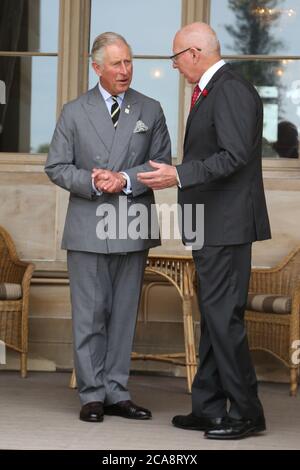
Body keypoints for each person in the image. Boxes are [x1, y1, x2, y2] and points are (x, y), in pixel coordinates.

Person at [138, 22, 271, 440]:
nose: (174, 66)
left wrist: (178, 175)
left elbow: (234, 156)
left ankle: (248, 413)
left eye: (176, 57)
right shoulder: (213, 91)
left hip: (226, 226)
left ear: (195, 53)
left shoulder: (230, 90)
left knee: (223, 319)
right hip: (210, 224)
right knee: (212, 318)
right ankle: (210, 408)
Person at [45, 32, 171, 423]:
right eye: (116, 64)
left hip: (132, 222)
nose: (125, 70)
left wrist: (125, 179)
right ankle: (92, 394)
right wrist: (94, 181)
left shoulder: (150, 109)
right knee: (89, 314)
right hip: (88, 224)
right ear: (96, 67)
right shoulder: (73, 111)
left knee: (123, 315)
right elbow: (56, 166)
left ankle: (118, 391)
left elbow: (161, 164)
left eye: (129, 62)